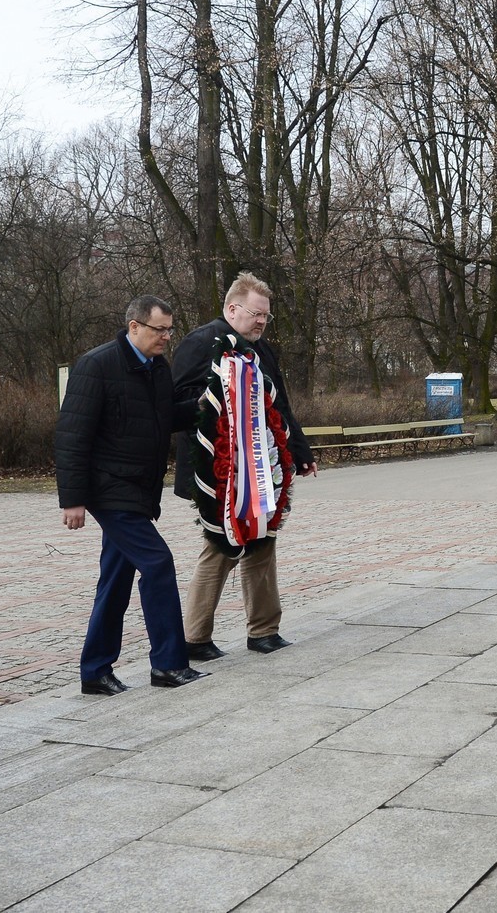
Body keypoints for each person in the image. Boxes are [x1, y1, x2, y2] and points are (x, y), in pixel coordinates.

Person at [56, 296, 208, 695]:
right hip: (110, 489)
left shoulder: (158, 368)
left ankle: (94, 672)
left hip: (140, 488)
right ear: (134, 326)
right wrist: (72, 499)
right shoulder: (96, 365)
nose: (167, 337)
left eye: (170, 329)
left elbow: (162, 418)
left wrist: (204, 407)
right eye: (160, 329)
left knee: (116, 577)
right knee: (158, 563)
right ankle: (169, 665)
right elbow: (72, 436)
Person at [173, 271, 316, 659]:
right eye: (256, 314)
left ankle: (264, 631)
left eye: (266, 317)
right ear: (233, 308)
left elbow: (279, 404)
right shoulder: (201, 342)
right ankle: (195, 637)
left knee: (263, 543)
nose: (261, 322)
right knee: (221, 546)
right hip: (217, 471)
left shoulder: (261, 349)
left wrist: (300, 452)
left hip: (261, 469)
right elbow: (180, 401)